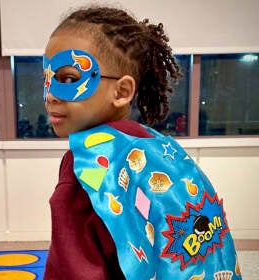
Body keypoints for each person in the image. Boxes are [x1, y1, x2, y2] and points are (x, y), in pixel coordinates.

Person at [42, 5, 241, 280]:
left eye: (68, 79)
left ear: (122, 91)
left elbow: (73, 268)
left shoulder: (86, 164)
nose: (50, 94)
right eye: (47, 79)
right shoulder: (155, 145)